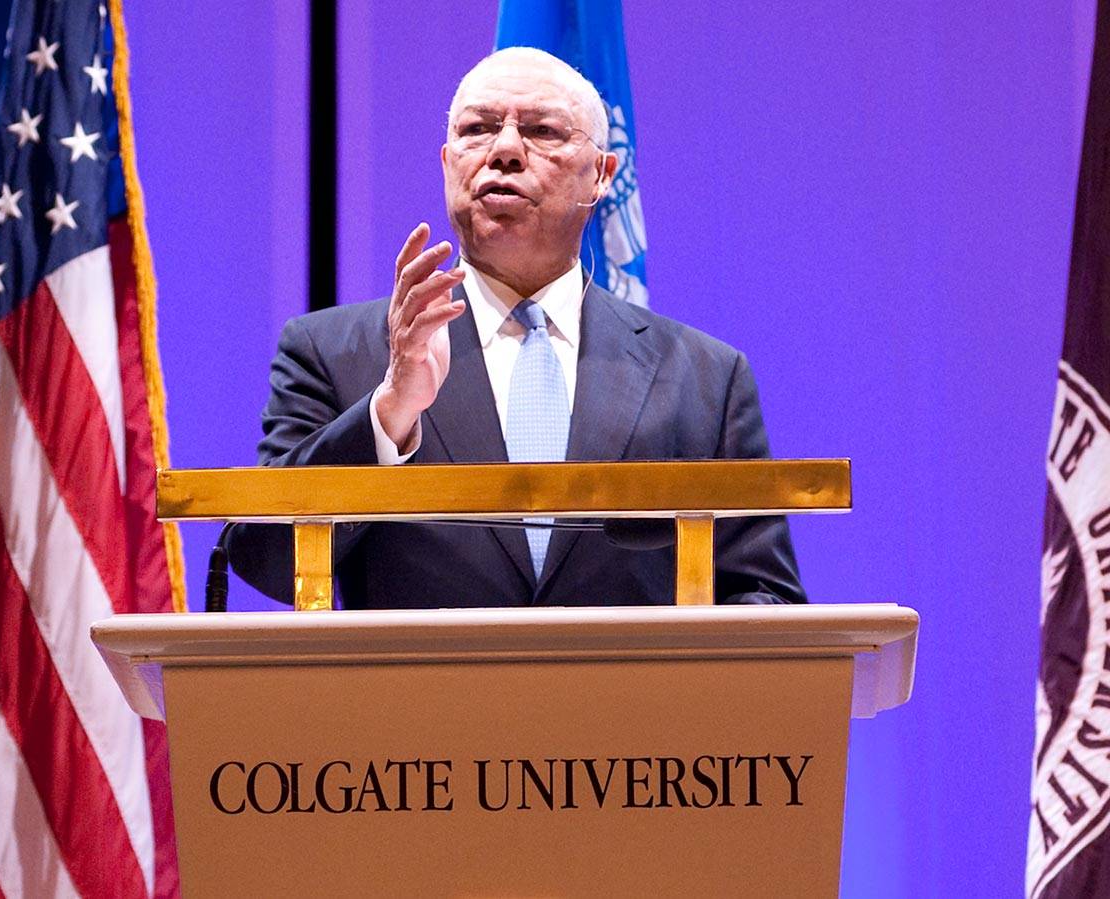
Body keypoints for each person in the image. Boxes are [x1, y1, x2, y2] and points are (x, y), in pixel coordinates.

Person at [227, 47, 805, 608]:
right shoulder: (330, 353)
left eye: (542, 131)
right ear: (448, 161)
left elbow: (762, 594)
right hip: (413, 704)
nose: (503, 150)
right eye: (477, 128)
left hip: (630, 705)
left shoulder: (704, 377)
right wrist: (389, 414)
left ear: (602, 174)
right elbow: (270, 563)